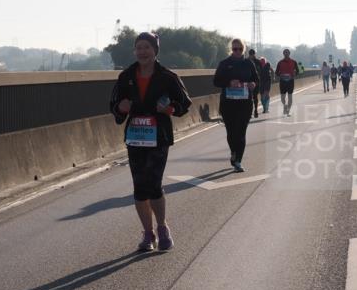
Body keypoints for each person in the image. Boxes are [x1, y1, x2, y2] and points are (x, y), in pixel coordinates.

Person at [110, 32, 193, 253]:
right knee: (139, 187)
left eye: (147, 47)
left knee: (154, 184)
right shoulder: (126, 76)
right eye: (139, 47)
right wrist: (121, 108)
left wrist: (170, 109)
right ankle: (148, 234)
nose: (142, 52)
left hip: (158, 137)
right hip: (136, 138)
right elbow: (114, 104)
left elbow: (185, 103)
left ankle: (163, 227)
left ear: (155, 50)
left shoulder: (167, 76)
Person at [213, 38, 260, 172]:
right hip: (228, 104)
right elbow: (216, 81)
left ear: (243, 49)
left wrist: (253, 84)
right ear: (231, 50)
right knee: (231, 132)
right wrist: (229, 82)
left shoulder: (249, 63)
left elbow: (256, 79)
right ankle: (233, 151)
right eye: (235, 49)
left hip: (245, 104)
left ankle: (238, 160)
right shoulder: (224, 63)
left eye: (240, 49)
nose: (237, 51)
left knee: (241, 133)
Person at [275, 48, 299, 116]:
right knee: (282, 98)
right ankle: (285, 105)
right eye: (285, 53)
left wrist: (294, 74)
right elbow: (276, 72)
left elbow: (297, 71)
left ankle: (288, 111)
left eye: (287, 53)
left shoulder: (294, 62)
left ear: (289, 53)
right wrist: (280, 75)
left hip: (290, 81)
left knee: (290, 97)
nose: (286, 54)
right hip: (282, 81)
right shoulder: (280, 62)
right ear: (283, 54)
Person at [248, 48, 261, 118]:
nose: (251, 56)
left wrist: (258, 81)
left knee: (255, 97)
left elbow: (260, 72)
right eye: (250, 54)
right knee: (249, 98)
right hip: (248, 82)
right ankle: (250, 112)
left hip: (256, 82)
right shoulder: (246, 61)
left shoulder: (258, 62)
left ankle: (255, 110)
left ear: (254, 54)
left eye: (252, 54)